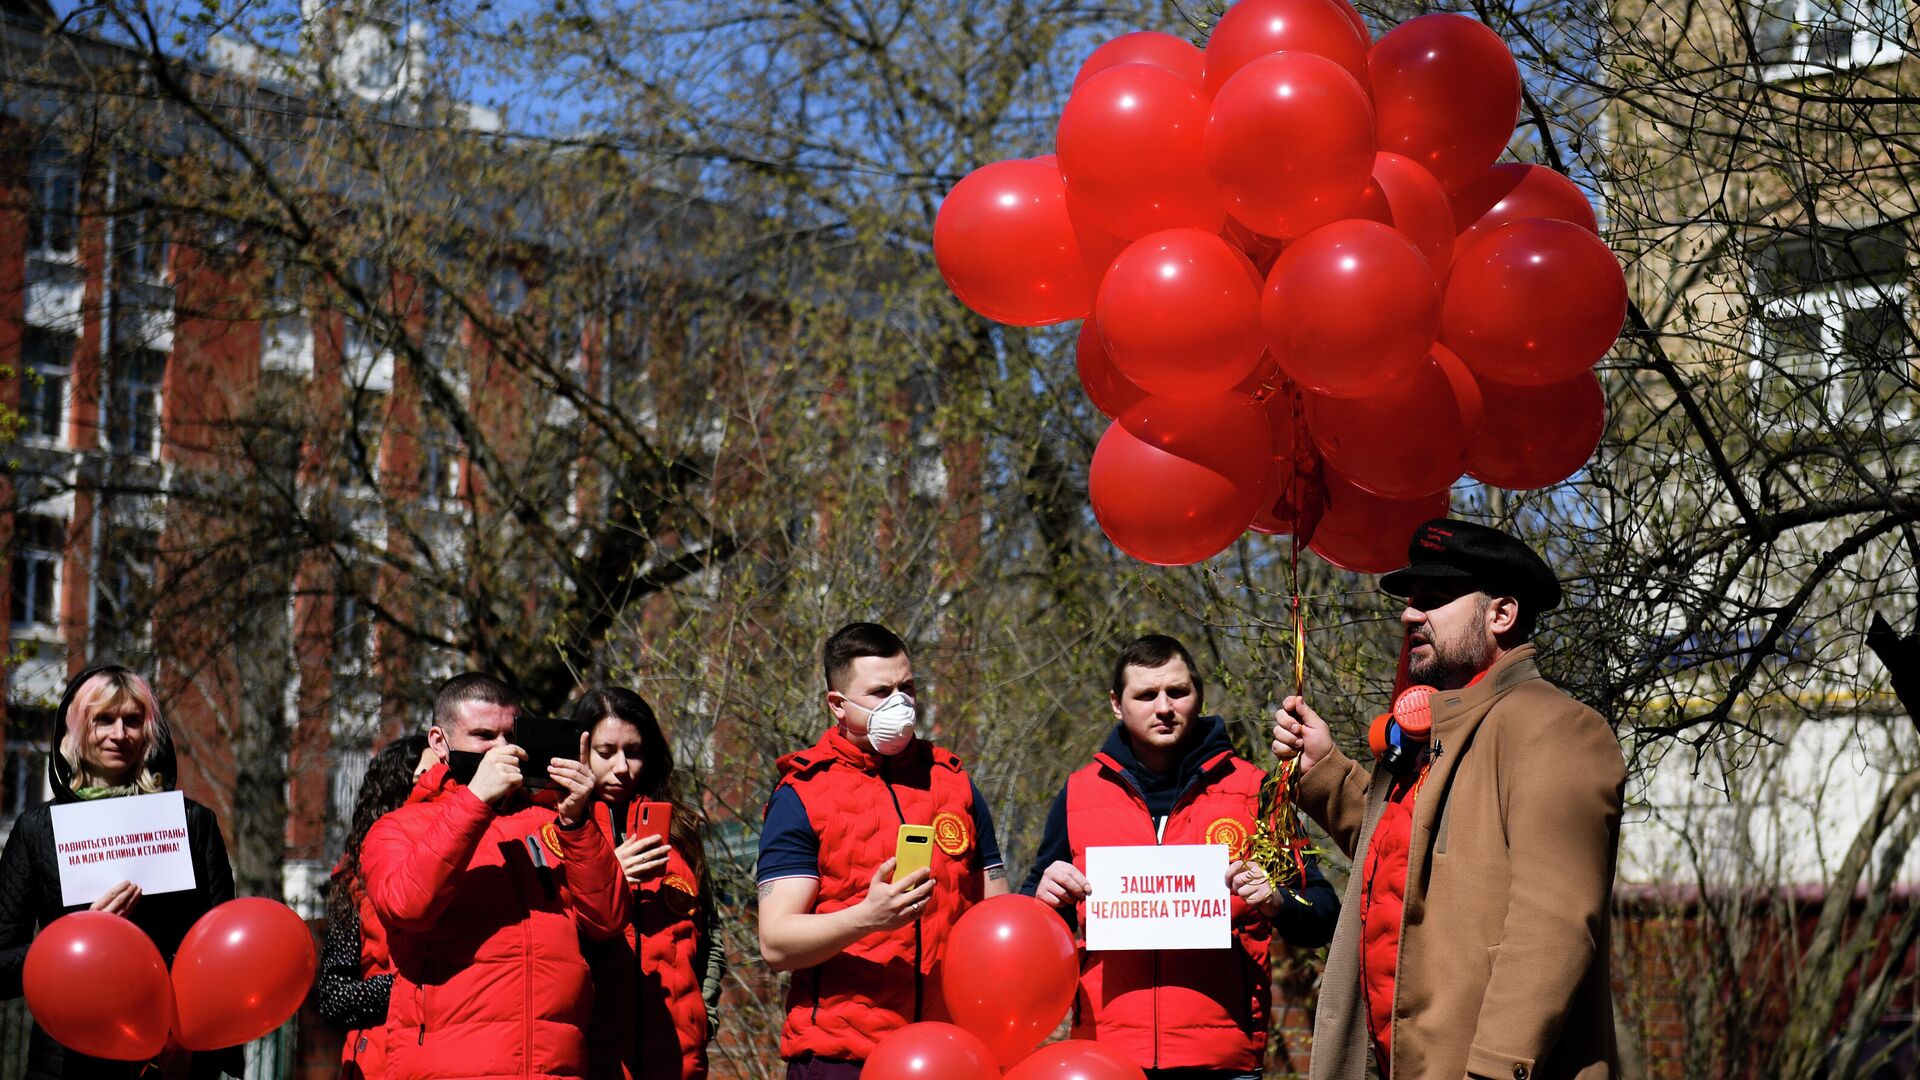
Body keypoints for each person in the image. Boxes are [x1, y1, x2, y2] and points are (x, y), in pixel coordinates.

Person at [1271, 519, 1627, 1080]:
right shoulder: (1436, 730)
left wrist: (1492, 1069)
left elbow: (1553, 925)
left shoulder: (1555, 728)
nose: (1411, 615)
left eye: (1434, 599)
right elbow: (1404, 857)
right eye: (1412, 600)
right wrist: (1324, 772)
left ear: (1501, 615)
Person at [1023, 634, 1340, 1079]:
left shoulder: (1255, 791)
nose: (1164, 707)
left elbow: (1325, 913)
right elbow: (1028, 932)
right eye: (1146, 695)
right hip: (1105, 1058)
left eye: (1177, 692)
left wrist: (1276, 900)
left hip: (1223, 1060)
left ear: (1199, 695)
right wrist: (1043, 901)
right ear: (1117, 703)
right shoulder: (1079, 794)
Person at [757, 621, 1010, 1078]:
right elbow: (776, 943)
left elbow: (997, 917)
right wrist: (866, 918)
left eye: (908, 687)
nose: (901, 704)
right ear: (838, 704)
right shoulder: (802, 793)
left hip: (949, 1054)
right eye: (881, 692)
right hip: (841, 1058)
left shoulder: (954, 783)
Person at [358, 673, 629, 1079]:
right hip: (448, 1067)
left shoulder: (549, 822)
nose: (502, 750)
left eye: (510, 735)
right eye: (484, 736)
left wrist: (576, 823)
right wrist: (474, 801)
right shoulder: (399, 828)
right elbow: (407, 906)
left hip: (553, 1067)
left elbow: (607, 919)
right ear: (439, 742)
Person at [0, 664, 240, 1080]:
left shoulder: (190, 823)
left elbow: (223, 957)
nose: (120, 734)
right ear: (74, 731)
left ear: (150, 733)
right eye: (103, 719)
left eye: (133, 720)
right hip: (66, 1059)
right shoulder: (37, 831)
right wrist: (75, 937)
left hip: (168, 1058)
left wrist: (191, 1044)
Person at [571, 688, 724, 1080]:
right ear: (580, 751)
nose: (622, 767)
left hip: (677, 1060)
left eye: (634, 752)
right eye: (606, 753)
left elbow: (711, 934)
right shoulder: (557, 829)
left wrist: (701, 1015)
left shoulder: (680, 830)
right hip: (592, 1058)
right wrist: (605, 877)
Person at [316, 733, 437, 1079]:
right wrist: (407, 989)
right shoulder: (355, 880)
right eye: (426, 777)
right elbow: (335, 997)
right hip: (381, 1060)